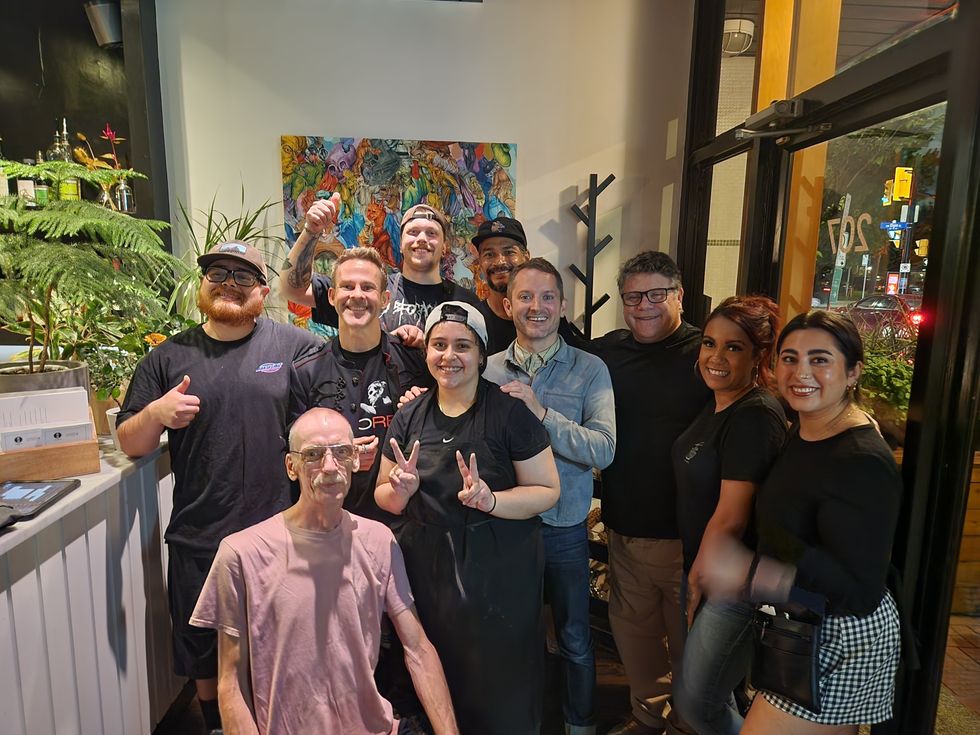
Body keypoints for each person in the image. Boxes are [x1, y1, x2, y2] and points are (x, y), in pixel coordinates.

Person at [116, 240, 321, 734]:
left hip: (279, 534)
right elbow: (130, 441)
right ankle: (215, 726)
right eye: (218, 273)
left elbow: (328, 412)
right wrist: (157, 413)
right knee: (205, 656)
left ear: (263, 290)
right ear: (202, 283)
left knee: (278, 646)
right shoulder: (168, 356)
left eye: (242, 276)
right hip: (199, 536)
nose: (229, 283)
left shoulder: (295, 347)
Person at [190, 407, 459, 735]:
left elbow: (418, 649)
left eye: (342, 452)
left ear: (356, 460)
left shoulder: (378, 541)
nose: (330, 467)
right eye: (314, 454)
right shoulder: (242, 553)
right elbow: (230, 683)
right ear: (292, 466)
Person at [699, 310, 902, 734]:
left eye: (820, 359)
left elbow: (858, 592)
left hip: (841, 638)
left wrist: (753, 573)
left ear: (852, 373)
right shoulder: (804, 429)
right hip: (801, 625)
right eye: (789, 358)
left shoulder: (862, 460)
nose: (800, 372)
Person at [375, 301, 561, 735]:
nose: (449, 355)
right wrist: (399, 491)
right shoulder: (410, 415)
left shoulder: (508, 413)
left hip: (499, 568)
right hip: (429, 572)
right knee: (436, 672)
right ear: (426, 353)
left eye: (462, 345)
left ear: (481, 354)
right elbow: (385, 496)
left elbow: (547, 490)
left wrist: (490, 500)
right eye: (439, 344)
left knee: (499, 686)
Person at [483, 258, 616, 735]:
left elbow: (604, 448)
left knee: (575, 637)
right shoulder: (488, 368)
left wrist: (541, 412)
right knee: (516, 635)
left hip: (564, 529)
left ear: (561, 306)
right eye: (524, 297)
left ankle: (579, 725)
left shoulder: (590, 369)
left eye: (546, 298)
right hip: (504, 528)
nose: (535, 307)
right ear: (506, 305)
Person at [590, 251, 712, 735]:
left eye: (657, 294)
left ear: (679, 294)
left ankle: (687, 724)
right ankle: (647, 717)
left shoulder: (708, 353)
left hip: (690, 537)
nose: (644, 306)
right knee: (634, 636)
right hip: (626, 526)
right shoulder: (609, 352)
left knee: (692, 646)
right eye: (633, 296)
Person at [671, 296, 787, 735]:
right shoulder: (718, 402)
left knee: (698, 702)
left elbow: (733, 516)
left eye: (733, 347)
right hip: (707, 569)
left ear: (759, 355)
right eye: (709, 343)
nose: (715, 357)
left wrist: (697, 577)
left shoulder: (755, 414)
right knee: (705, 696)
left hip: (733, 581)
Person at [290, 246, 431, 524]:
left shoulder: (416, 361)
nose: (357, 295)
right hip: (329, 525)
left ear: (385, 298)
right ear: (331, 296)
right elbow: (293, 455)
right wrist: (341, 454)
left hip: (404, 526)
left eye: (367, 287)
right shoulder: (305, 370)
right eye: (347, 286)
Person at [281, 196, 479, 331]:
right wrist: (311, 230)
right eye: (412, 232)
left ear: (445, 246)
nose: (421, 239)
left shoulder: (467, 303)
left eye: (431, 233)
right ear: (400, 244)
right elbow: (292, 290)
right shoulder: (370, 290)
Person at [471, 215, 579, 354]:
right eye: (489, 254)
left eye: (509, 252)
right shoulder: (472, 323)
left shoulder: (546, 315)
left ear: (526, 257)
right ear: (480, 262)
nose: (500, 262)